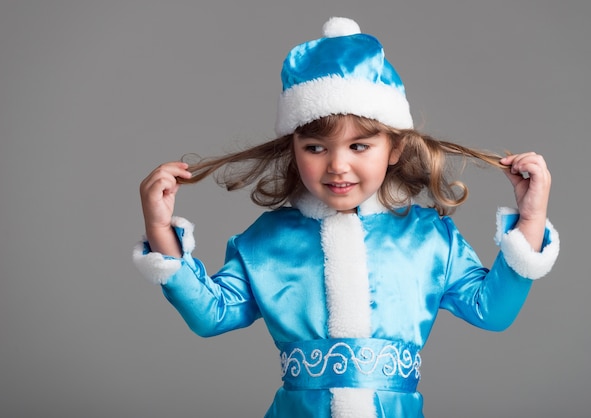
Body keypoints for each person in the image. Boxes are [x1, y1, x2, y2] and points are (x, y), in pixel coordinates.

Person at [134, 17, 559, 418]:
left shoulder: (429, 238)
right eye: (316, 148)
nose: (337, 166)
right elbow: (211, 315)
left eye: (359, 147)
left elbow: (493, 311)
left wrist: (531, 217)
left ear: (393, 148)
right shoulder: (267, 241)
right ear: (293, 149)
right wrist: (159, 229)